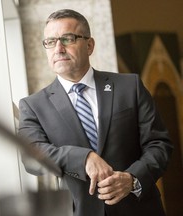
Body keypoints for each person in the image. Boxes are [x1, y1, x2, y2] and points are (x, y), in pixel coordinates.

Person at [18, 9, 173, 216]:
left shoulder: (130, 86)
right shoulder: (33, 106)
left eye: (67, 39)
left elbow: (159, 144)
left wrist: (132, 179)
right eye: (50, 41)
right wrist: (83, 158)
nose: (58, 48)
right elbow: (31, 157)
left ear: (89, 45)